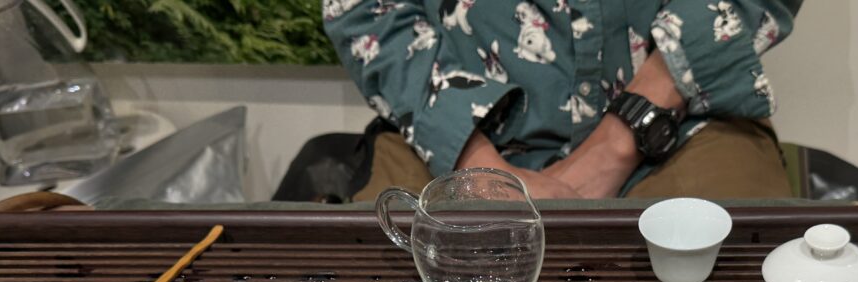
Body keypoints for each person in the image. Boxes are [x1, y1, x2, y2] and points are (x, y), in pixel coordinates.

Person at [324, 1, 801, 201]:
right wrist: (478, 165)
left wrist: (619, 142)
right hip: (443, 137)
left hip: (682, 122)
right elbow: (366, 11)